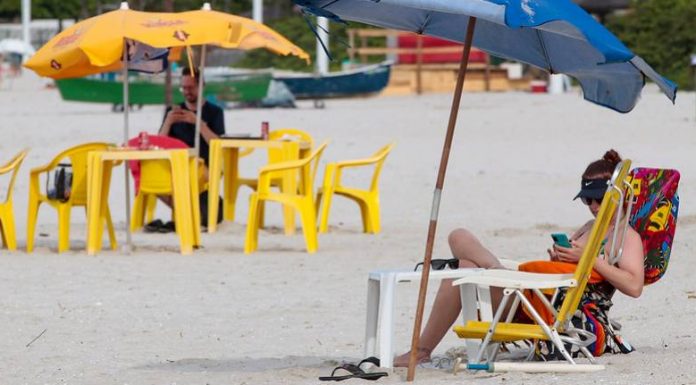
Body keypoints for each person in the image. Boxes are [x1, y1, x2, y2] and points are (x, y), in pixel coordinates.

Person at [394, 149, 645, 366]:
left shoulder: (626, 237)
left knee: (464, 259)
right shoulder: (589, 227)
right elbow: (571, 267)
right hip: (538, 295)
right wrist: (559, 257)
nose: (593, 206)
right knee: (462, 251)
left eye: (599, 199)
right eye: (587, 200)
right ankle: (422, 349)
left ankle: (421, 351)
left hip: (557, 310)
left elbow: (634, 287)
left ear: (617, 194)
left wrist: (588, 259)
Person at [149, 66, 225, 232]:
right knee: (149, 178)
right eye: (183, 87)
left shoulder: (214, 112)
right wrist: (168, 122)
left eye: (190, 87)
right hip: (177, 164)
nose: (186, 92)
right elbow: (159, 144)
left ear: (201, 85)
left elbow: (217, 144)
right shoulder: (173, 111)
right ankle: (189, 211)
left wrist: (197, 122)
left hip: (205, 165)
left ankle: (186, 211)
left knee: (190, 175)